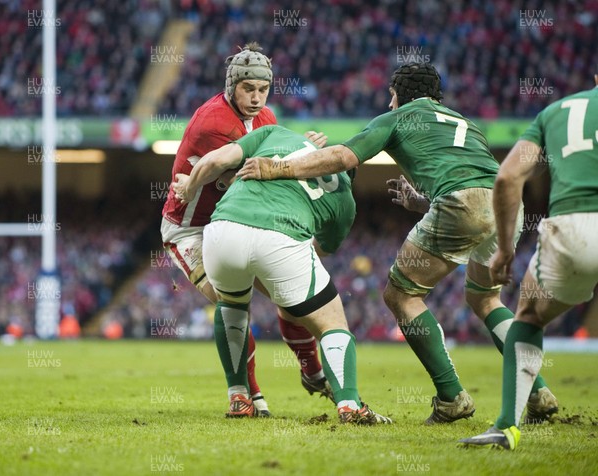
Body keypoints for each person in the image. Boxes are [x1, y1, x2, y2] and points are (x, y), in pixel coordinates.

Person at [237, 62, 558, 424]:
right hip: (506, 207)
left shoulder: (398, 117)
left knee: (400, 294)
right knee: (485, 298)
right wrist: (423, 204)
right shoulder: (465, 123)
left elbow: (342, 157)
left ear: (400, 95)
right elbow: (476, 183)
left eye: (391, 97)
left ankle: (452, 396)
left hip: (461, 203)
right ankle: (539, 391)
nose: (390, 104)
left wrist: (276, 168)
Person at [172, 125, 392, 423]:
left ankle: (239, 397)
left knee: (232, 306)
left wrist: (189, 188)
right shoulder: (345, 198)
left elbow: (215, 160)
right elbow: (323, 249)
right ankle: (350, 406)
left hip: (221, 229)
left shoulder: (275, 133)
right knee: (331, 322)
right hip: (281, 238)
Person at [161, 42, 330, 417]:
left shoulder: (267, 118)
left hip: (238, 222)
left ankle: (312, 370)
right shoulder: (213, 122)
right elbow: (250, 172)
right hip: (191, 230)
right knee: (231, 303)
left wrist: (303, 150)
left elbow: (273, 165)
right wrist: (301, 153)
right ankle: (245, 394)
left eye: (262, 90)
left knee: (289, 295)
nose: (256, 98)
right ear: (231, 86)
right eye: (247, 89)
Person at [459, 75, 598, 449]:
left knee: (530, 315)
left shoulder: (554, 113)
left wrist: (505, 249)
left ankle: (506, 427)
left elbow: (507, 177)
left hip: (575, 229)